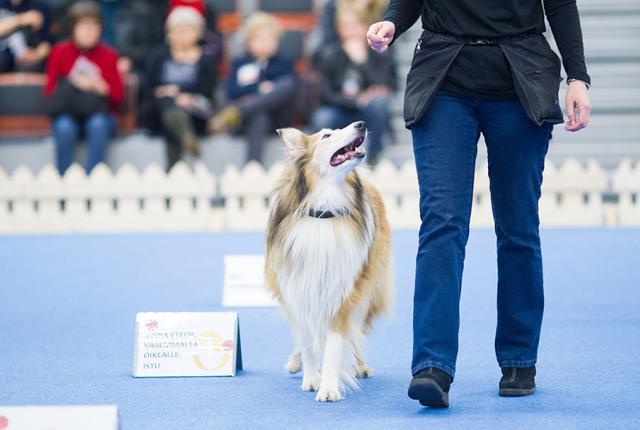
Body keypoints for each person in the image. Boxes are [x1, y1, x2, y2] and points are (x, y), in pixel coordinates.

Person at [368, 0, 591, 408]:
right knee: (442, 223)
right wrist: (390, 22)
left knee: (518, 227)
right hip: (444, 81)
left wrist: (578, 77)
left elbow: (560, 4)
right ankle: (431, 366)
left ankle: (519, 359)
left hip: (520, 80)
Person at [44, 1, 123, 175]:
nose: (89, 32)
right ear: (73, 28)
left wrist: (101, 87)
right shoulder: (59, 52)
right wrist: (74, 83)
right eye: (84, 26)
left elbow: (118, 97)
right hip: (69, 113)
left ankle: (93, 179)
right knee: (64, 127)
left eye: (94, 26)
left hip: (98, 113)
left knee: (98, 124)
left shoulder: (108, 55)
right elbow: (49, 91)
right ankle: (64, 179)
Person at [209, 12, 297, 164]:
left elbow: (288, 90)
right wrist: (259, 90)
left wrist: (260, 93)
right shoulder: (240, 63)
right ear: (248, 42)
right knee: (259, 115)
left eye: (269, 38)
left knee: (286, 85)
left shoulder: (284, 62)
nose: (264, 42)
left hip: (276, 117)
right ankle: (253, 167)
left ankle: (236, 112)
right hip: (244, 121)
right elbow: (231, 91)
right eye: (258, 38)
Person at [311, 3, 394, 165]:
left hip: (368, 111)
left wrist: (361, 61)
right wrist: (354, 101)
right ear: (339, 29)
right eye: (346, 27)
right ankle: (329, 159)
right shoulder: (330, 54)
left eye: (356, 26)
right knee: (322, 117)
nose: (351, 31)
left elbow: (384, 86)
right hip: (341, 110)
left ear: (366, 27)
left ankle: (374, 158)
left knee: (379, 103)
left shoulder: (380, 53)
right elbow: (325, 94)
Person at [143, 6, 217, 169]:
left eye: (185, 30)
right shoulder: (158, 56)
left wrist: (186, 97)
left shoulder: (207, 59)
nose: (179, 35)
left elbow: (207, 90)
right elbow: (149, 87)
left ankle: (173, 170)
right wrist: (172, 94)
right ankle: (187, 138)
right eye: (175, 30)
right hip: (161, 110)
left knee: (173, 116)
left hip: (195, 110)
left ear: (197, 32)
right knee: (168, 105)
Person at [0, 0, 52, 72]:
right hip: (3, 55)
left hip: (27, 59)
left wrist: (36, 56)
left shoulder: (39, 6)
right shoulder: (2, 4)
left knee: (29, 67)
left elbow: (47, 42)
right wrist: (22, 19)